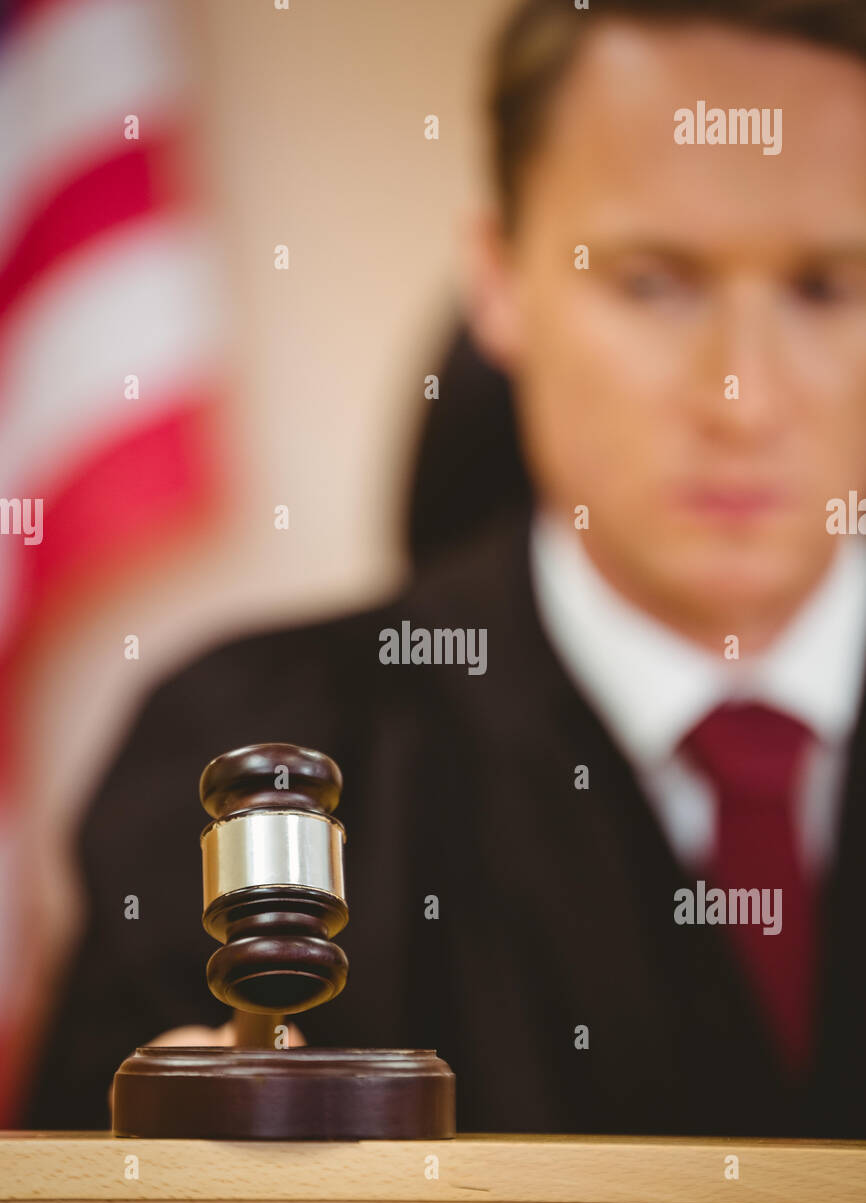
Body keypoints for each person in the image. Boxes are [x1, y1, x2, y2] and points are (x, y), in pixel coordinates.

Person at [26, 0, 866, 1137]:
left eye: (823, 286)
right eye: (651, 282)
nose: (743, 398)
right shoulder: (245, 756)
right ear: (498, 278)